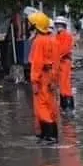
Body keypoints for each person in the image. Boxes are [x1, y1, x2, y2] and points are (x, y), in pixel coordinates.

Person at [29, 11, 59, 143]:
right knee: (50, 105)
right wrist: (54, 79)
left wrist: (34, 81)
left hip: (42, 77)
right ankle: (51, 134)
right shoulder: (53, 40)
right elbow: (57, 62)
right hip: (51, 75)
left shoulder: (38, 41)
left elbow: (37, 63)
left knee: (42, 106)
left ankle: (49, 135)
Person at [54, 16, 75, 111]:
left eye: (60, 25)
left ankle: (68, 106)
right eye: (57, 25)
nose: (58, 26)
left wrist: (56, 57)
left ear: (63, 25)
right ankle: (64, 105)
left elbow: (64, 50)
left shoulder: (66, 35)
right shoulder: (57, 36)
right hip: (60, 62)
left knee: (65, 84)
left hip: (65, 62)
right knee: (61, 84)